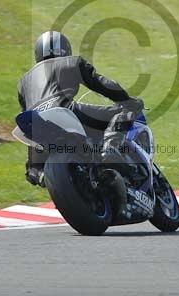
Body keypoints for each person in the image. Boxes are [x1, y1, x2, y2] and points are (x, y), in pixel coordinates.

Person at [17, 30, 144, 187]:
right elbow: (101, 84)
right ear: (66, 49)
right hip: (65, 111)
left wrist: (34, 166)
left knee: (34, 162)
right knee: (125, 110)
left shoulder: (23, 83)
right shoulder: (71, 62)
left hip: (37, 124)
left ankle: (39, 173)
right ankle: (110, 150)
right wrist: (125, 99)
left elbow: (26, 112)